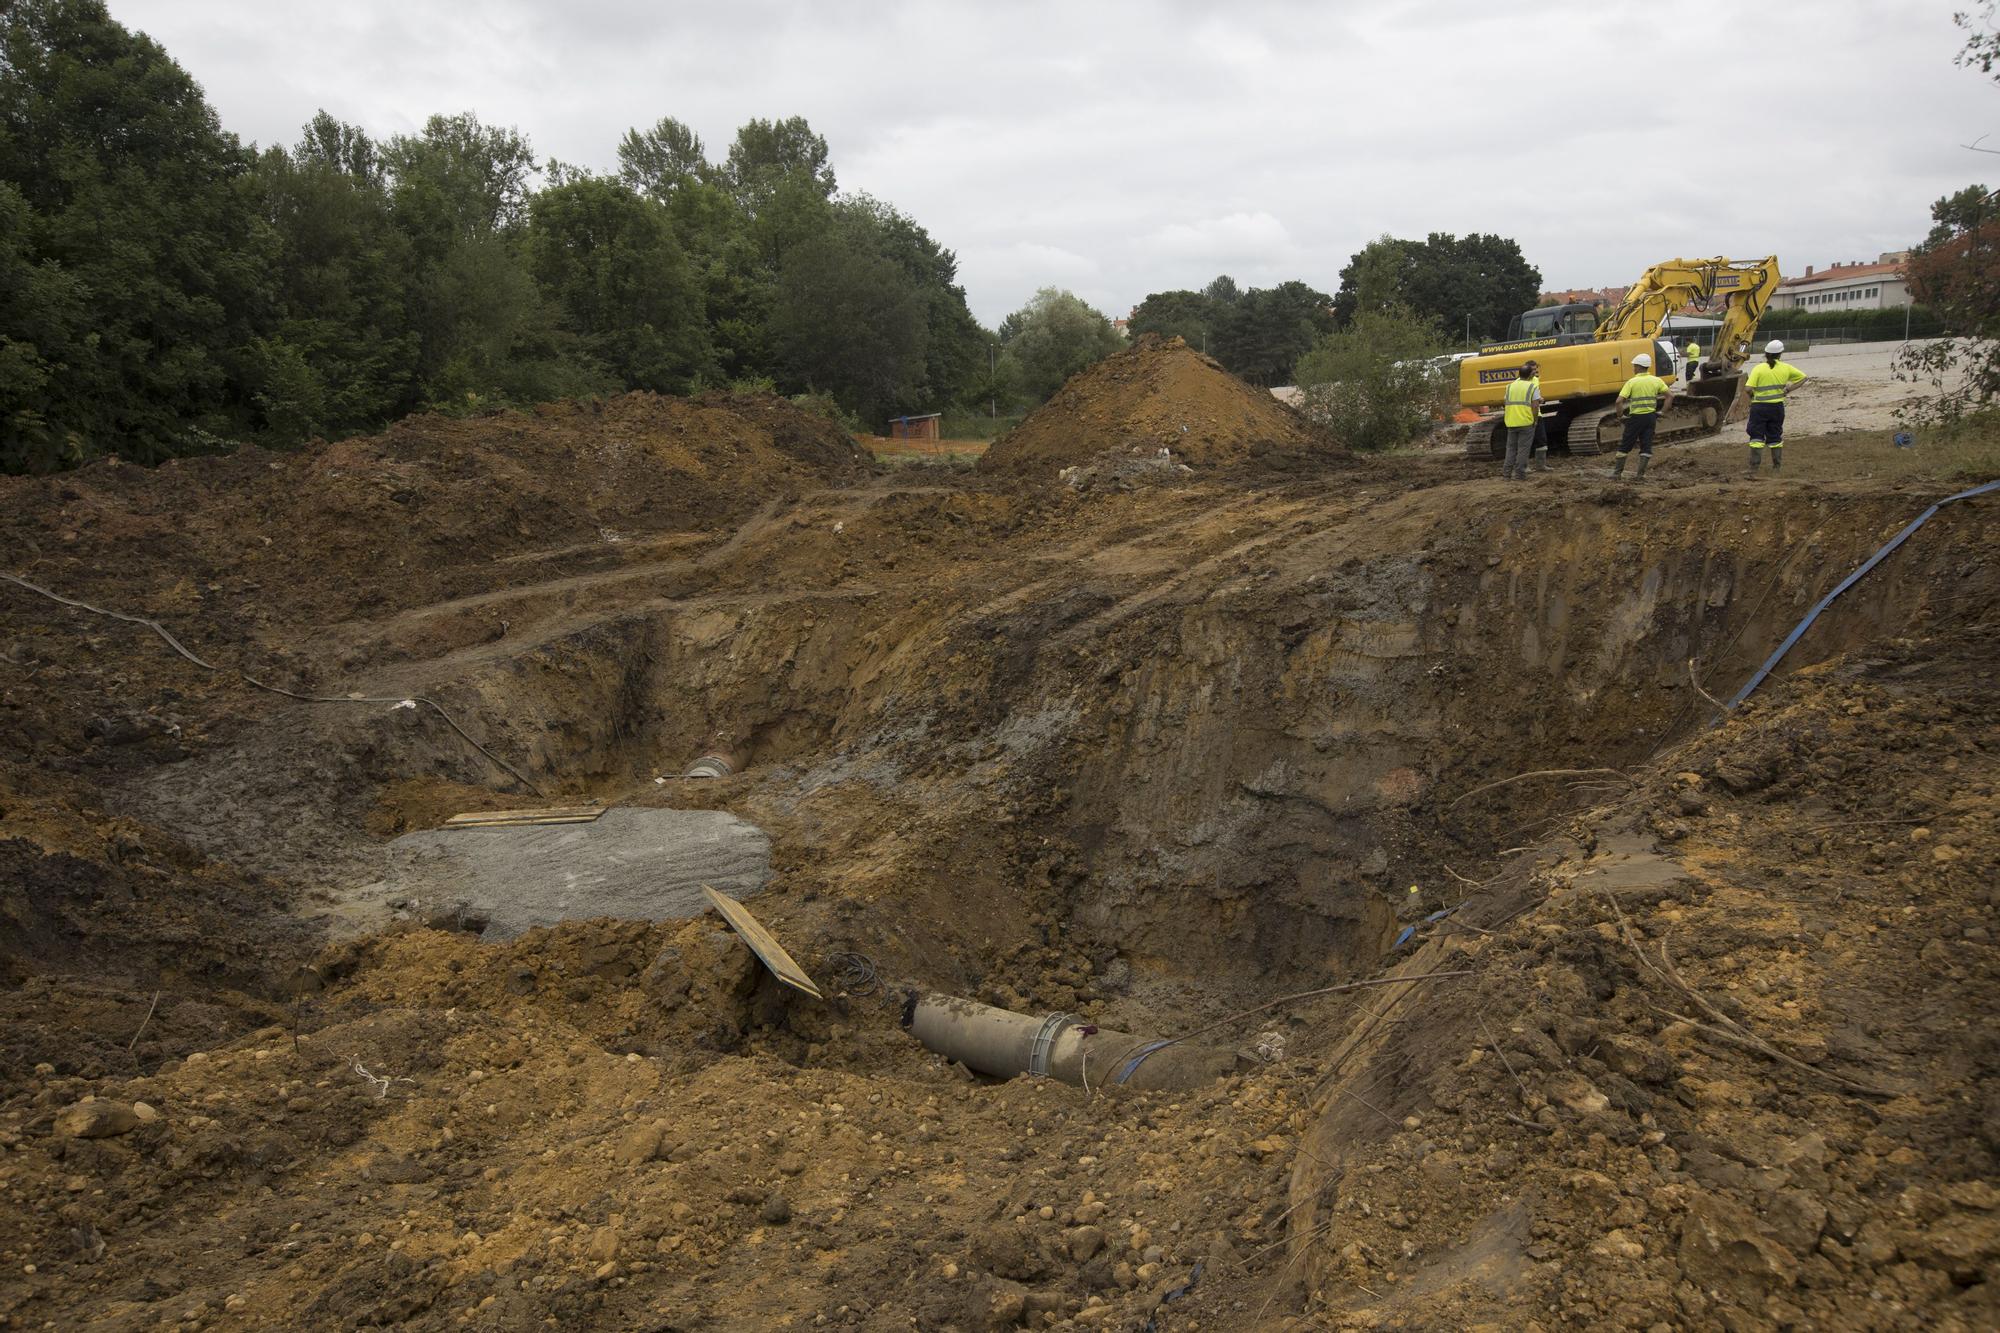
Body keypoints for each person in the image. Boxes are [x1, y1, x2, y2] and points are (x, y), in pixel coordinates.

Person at [1744, 339, 1807, 474]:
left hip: (1759, 408)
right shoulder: (1786, 368)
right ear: (1780, 354)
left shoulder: (1759, 368)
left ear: (1766, 354)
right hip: (1777, 408)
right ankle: (1776, 467)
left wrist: (1753, 398)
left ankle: (1753, 468)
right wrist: (1788, 390)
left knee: (1756, 436)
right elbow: (1803, 378)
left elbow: (1748, 388)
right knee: (1775, 436)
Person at [1608, 352, 1671, 480]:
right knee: (1646, 445)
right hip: (1650, 418)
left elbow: (1618, 401)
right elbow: (1670, 396)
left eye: (1634, 366)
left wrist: (1620, 416)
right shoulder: (1656, 380)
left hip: (1635, 418)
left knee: (1625, 446)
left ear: (1638, 366)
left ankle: (1617, 473)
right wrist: (1662, 412)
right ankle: (1640, 475)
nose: (1633, 368)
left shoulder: (1632, 382)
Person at [1500, 360, 1542, 481]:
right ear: (1530, 375)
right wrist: (1535, 420)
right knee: (1523, 449)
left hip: (1511, 421)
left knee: (1510, 449)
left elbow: (1505, 403)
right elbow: (1535, 406)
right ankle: (1520, 475)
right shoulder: (1532, 386)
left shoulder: (1510, 387)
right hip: (1526, 422)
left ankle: (1506, 474)